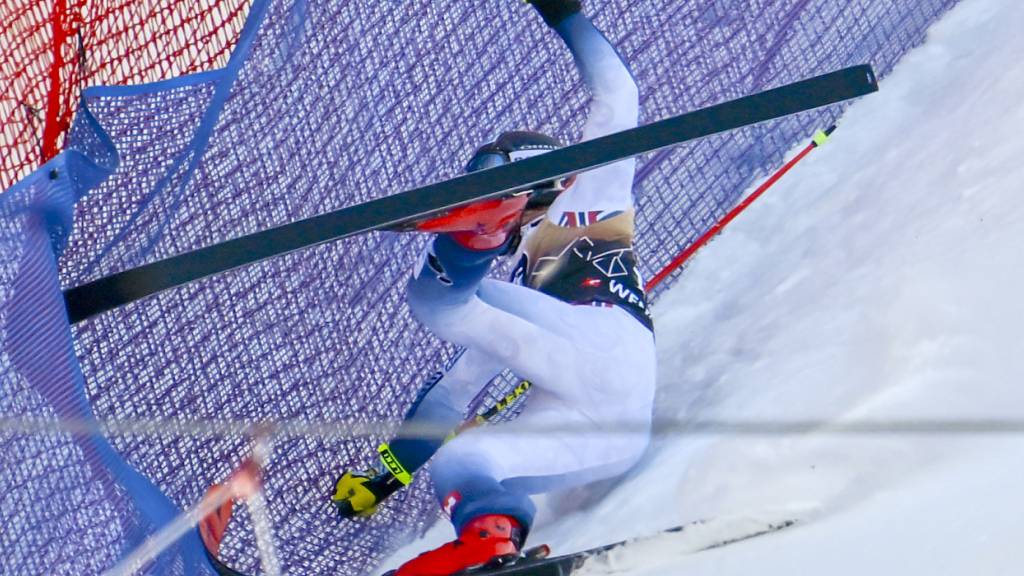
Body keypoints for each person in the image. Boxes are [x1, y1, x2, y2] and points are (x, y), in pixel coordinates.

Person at [332, 1, 656, 573]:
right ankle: (492, 547)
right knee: (464, 461)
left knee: (445, 302)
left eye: (493, 196)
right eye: (483, 205)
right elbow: (453, 394)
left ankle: (471, 241)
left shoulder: (591, 193)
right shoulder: (519, 292)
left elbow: (619, 95)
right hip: (608, 435)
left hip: (607, 341)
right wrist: (388, 474)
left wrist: (565, 16)